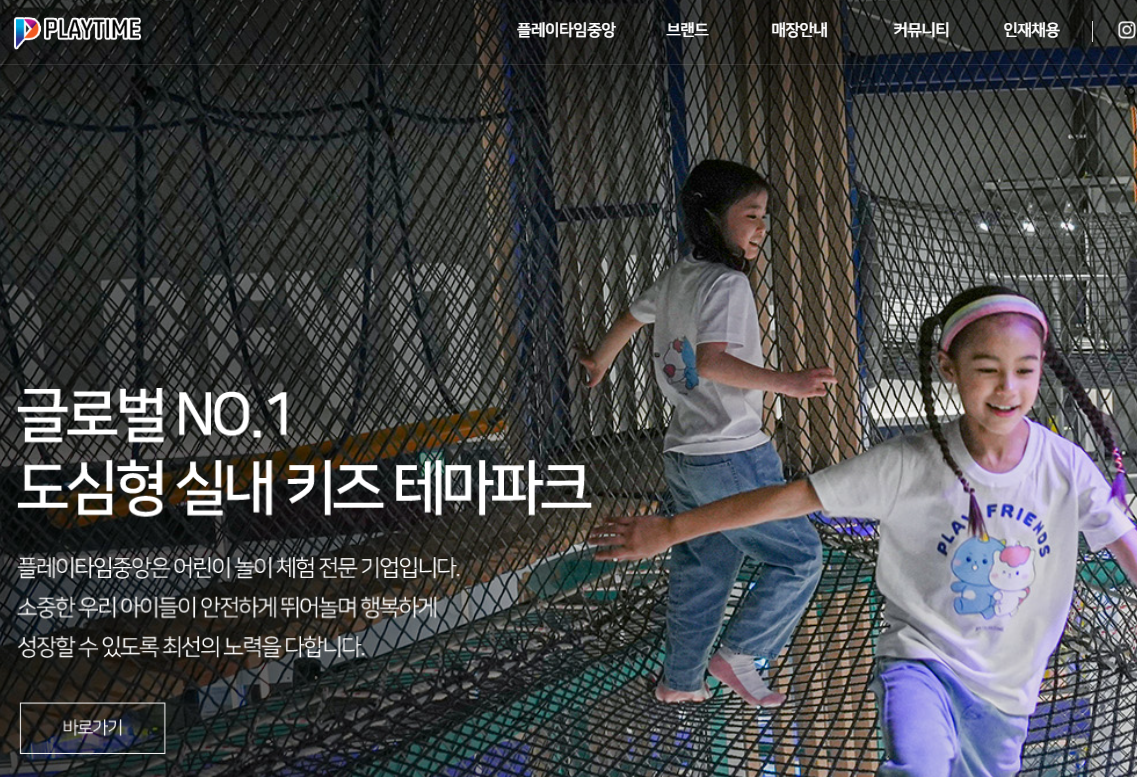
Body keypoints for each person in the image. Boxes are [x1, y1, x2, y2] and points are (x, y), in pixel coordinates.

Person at [589, 285, 1137, 776]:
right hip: (921, 660)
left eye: (1024, 370)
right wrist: (671, 529)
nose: (1007, 387)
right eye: (987, 368)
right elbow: (788, 499)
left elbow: (1125, 545)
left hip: (1009, 691)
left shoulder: (1064, 467)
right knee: (919, 765)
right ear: (949, 368)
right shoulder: (907, 463)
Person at [580, 159, 835, 708]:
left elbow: (631, 317)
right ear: (714, 218)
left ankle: (680, 680)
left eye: (764, 216)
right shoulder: (727, 283)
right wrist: (788, 383)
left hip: (686, 456)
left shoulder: (681, 275)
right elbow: (713, 361)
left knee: (702, 569)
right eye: (751, 214)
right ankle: (742, 652)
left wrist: (600, 361)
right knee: (799, 558)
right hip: (733, 452)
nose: (761, 228)